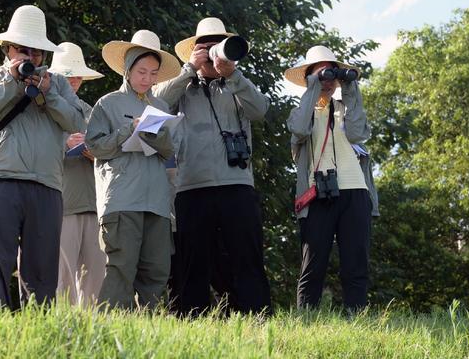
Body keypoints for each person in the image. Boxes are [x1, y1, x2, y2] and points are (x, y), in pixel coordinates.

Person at [0, 5, 85, 311]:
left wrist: (49, 94)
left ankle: (38, 331)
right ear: (8, 49)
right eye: (23, 50)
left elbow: (76, 121)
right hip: (2, 180)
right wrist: (11, 82)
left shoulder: (57, 82)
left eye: (36, 53)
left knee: (42, 269)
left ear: (44, 56)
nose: (30, 58)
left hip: (47, 184)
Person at [154, 17, 272, 316]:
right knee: (192, 260)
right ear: (193, 51)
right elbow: (154, 107)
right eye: (205, 47)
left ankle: (257, 317)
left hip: (237, 184)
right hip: (192, 186)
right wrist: (188, 71)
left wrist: (233, 75)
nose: (212, 53)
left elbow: (260, 111)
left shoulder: (237, 83)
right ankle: (191, 319)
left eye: (216, 46)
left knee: (247, 256)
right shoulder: (182, 87)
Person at [85, 30, 181, 310]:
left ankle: (150, 333)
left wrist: (158, 134)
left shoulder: (162, 106)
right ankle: (112, 334)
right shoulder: (108, 103)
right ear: (127, 70)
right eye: (141, 71)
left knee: (157, 269)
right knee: (121, 266)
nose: (147, 79)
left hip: (158, 202)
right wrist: (130, 129)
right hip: (122, 198)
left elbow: (172, 152)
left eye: (153, 73)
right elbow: (95, 146)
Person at [284, 45, 379, 312]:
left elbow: (358, 133)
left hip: (355, 191)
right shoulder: (301, 112)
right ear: (309, 78)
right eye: (321, 72)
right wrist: (314, 88)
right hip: (318, 192)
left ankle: (357, 318)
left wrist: (350, 88)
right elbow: (301, 130)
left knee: (356, 264)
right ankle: (306, 320)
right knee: (313, 265)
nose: (329, 79)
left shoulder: (345, 109)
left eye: (332, 73)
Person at [49, 41, 106, 306]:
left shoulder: (91, 112)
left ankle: (95, 340)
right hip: (61, 204)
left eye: (77, 76)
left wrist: (95, 151)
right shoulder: (43, 106)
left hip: (94, 204)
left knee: (96, 280)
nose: (73, 81)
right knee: (62, 282)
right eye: (67, 76)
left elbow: (107, 150)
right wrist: (64, 144)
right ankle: (62, 336)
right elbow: (32, 147)